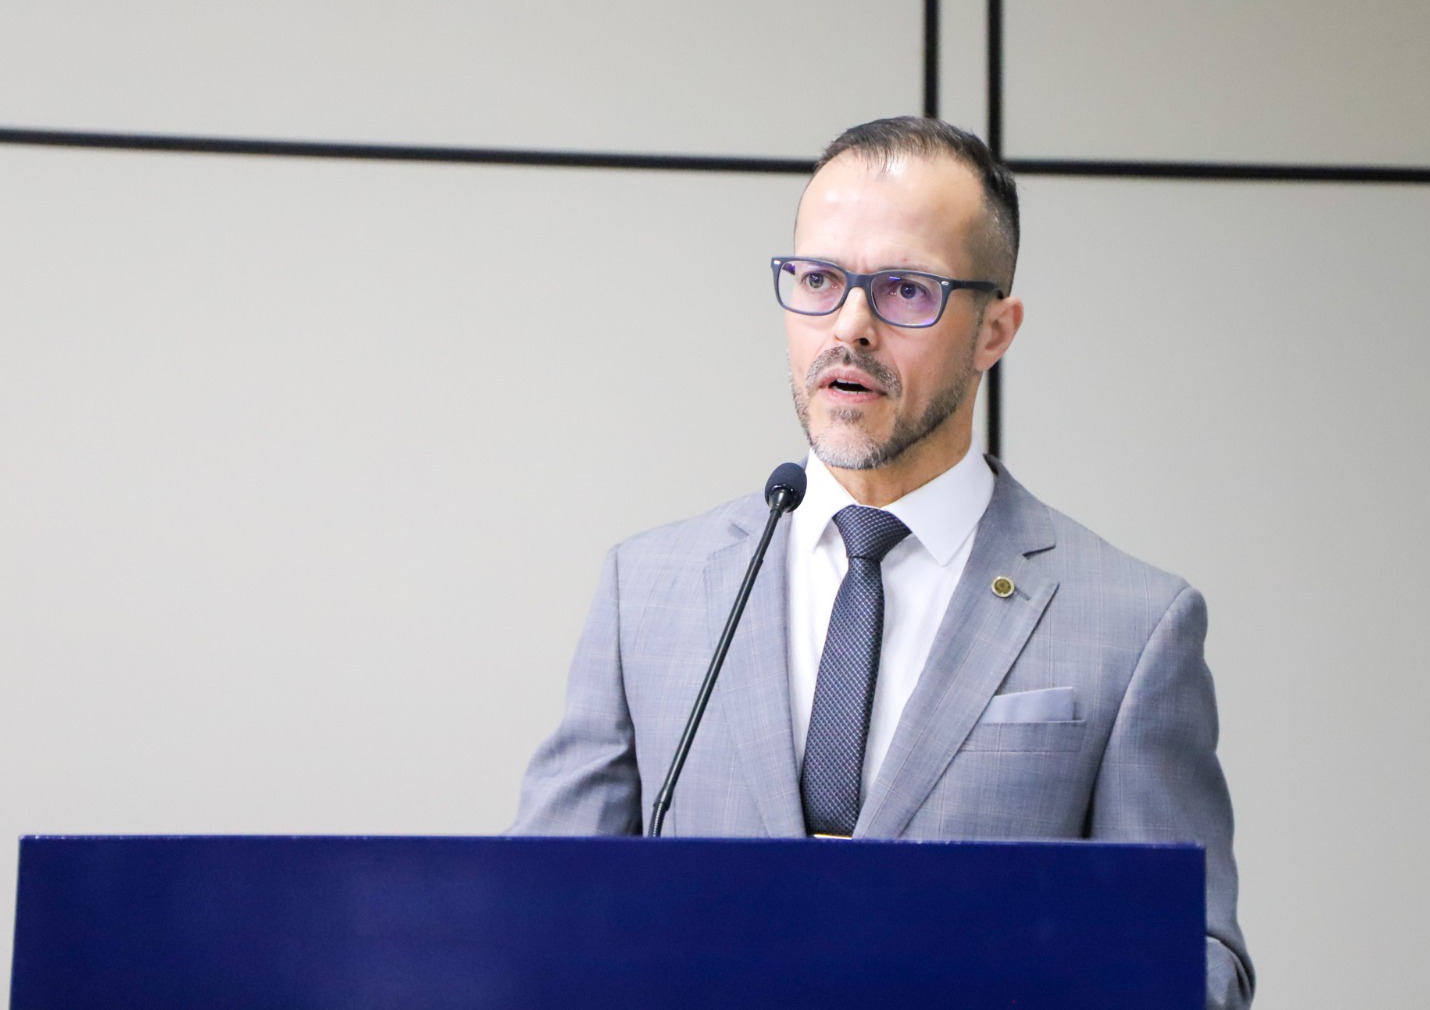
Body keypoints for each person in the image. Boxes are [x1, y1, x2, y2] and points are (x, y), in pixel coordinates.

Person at [511, 116, 1254, 1009]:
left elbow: (1197, 964)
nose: (850, 327)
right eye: (819, 280)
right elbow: (533, 925)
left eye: (905, 290)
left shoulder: (1134, 627)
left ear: (994, 331)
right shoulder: (650, 591)